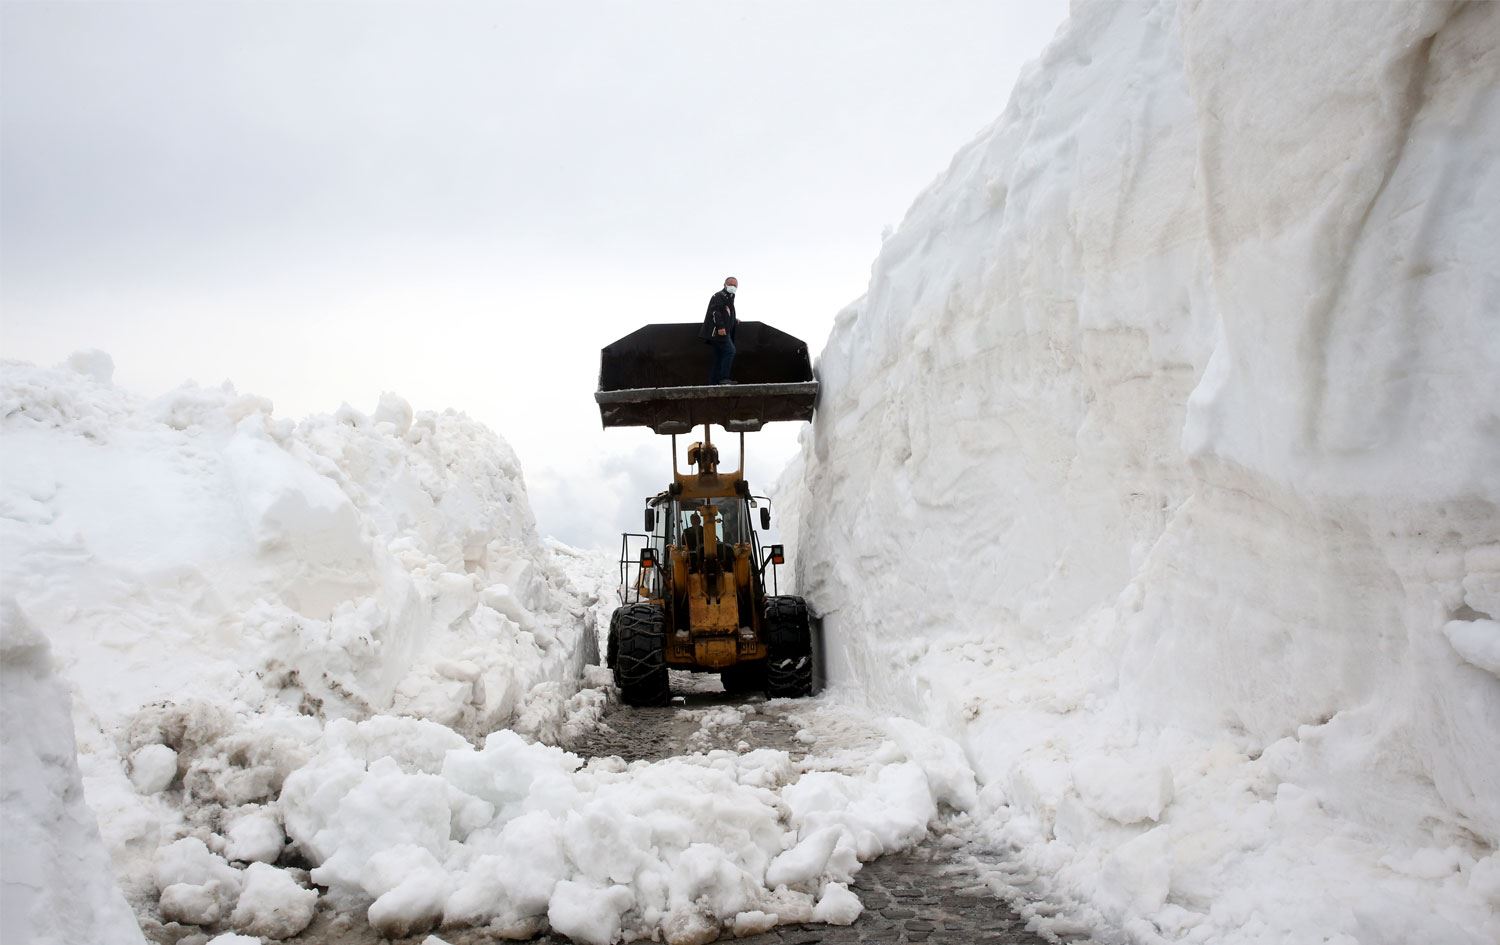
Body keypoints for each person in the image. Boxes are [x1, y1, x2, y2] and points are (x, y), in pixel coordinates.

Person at [699, 276, 738, 385]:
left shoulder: (730, 297)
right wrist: (720, 327)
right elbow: (715, 312)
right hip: (718, 332)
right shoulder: (719, 296)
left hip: (722, 331)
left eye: (735, 285)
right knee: (730, 351)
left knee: (719, 357)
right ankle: (724, 378)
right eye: (730, 284)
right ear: (724, 285)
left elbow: (726, 313)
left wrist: (734, 320)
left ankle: (713, 382)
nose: (733, 287)